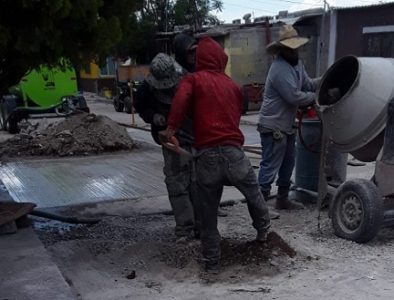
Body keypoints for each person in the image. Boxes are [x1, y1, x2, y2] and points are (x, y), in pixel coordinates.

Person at [162, 37, 271, 273]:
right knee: (254, 195)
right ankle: (264, 232)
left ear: (201, 59)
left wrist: (171, 129)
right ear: (221, 58)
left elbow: (181, 100)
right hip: (234, 154)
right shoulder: (232, 85)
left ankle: (212, 263)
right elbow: (239, 108)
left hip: (207, 158)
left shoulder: (193, 79)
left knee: (208, 216)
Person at [133, 53, 198, 240]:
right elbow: (141, 106)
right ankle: (185, 228)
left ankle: (202, 226)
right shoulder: (147, 89)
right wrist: (153, 117)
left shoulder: (187, 80)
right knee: (177, 184)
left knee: (198, 183)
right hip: (170, 141)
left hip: (193, 137)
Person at [257, 25, 320, 210]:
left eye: (295, 47)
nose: (294, 51)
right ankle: (259, 207)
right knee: (270, 165)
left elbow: (308, 85)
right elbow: (293, 96)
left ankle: (282, 200)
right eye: (290, 48)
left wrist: (326, 79)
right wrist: (316, 98)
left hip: (287, 124)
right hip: (273, 125)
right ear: (282, 49)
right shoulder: (279, 69)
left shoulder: (298, 64)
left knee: (287, 163)